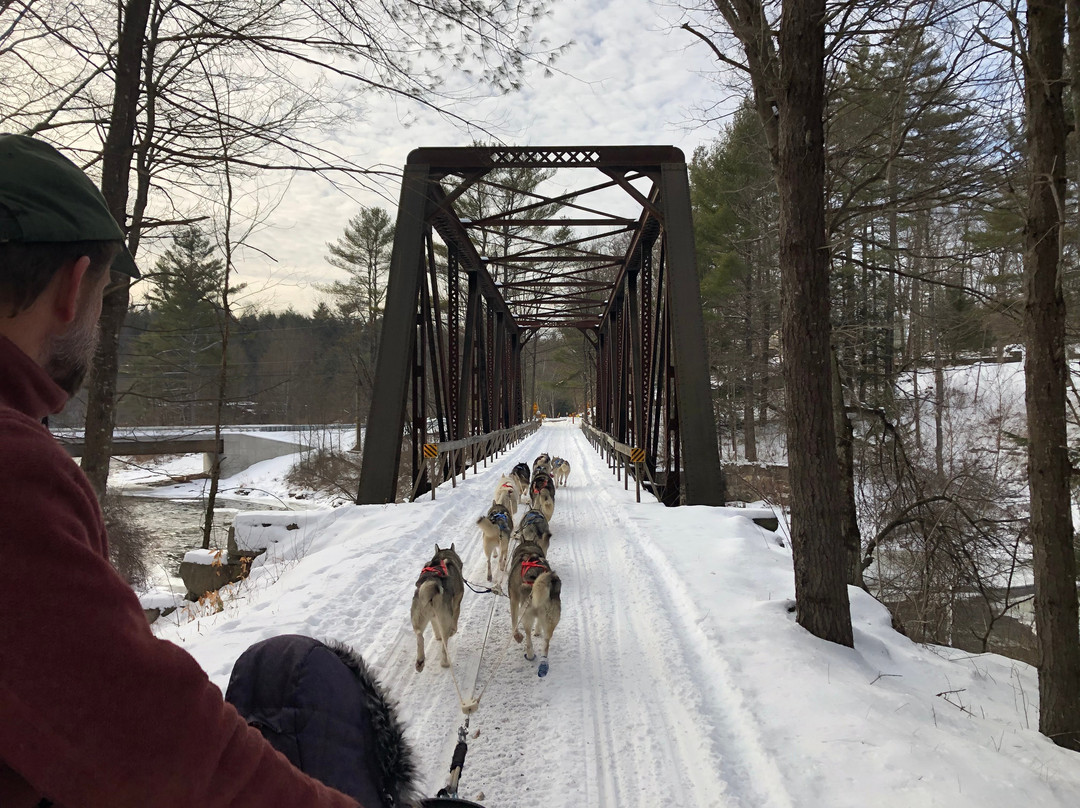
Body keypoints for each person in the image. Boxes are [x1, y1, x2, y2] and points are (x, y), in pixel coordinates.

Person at [0, 133, 365, 807]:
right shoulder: (13, 473)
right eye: (107, 299)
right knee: (312, 686)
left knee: (276, 671)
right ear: (74, 284)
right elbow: (154, 745)